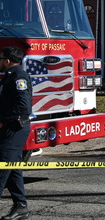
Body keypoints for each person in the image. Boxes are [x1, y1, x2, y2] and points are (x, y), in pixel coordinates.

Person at [0, 47, 32, 220]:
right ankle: (21, 207)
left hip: (14, 129)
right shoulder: (10, 76)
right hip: (10, 128)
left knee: (2, 168)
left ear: (7, 61)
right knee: (13, 170)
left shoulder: (18, 77)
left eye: (0, 58)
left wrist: (4, 120)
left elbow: (22, 107)